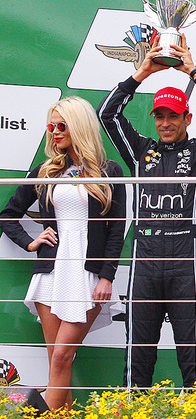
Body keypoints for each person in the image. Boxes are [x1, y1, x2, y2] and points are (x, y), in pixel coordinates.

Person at [97, 34, 196, 389]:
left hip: (185, 262)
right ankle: (133, 412)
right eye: (160, 116)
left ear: (187, 117)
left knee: (193, 355)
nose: (165, 123)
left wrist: (194, 72)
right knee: (137, 353)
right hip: (144, 261)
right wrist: (142, 73)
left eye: (173, 116)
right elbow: (107, 113)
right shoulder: (142, 152)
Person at [0, 97, 126, 411]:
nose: (55, 132)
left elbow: (116, 230)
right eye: (51, 126)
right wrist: (30, 242)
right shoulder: (47, 171)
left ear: (79, 126)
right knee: (57, 360)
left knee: (61, 356)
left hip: (86, 275)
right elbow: (8, 214)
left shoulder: (109, 172)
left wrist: (107, 276)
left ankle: (37, 415)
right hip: (50, 274)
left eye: (62, 125)